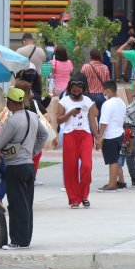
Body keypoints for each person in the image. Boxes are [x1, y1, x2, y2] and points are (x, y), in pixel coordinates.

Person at [0, 88, 48, 250]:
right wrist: (32, 151)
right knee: (26, 204)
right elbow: (44, 135)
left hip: (15, 166)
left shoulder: (12, 121)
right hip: (29, 165)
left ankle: (18, 241)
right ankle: (25, 239)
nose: (7, 103)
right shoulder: (33, 116)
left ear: (12, 103)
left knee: (16, 205)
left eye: (8, 101)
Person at [49, 73, 100, 208]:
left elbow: (93, 120)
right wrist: (69, 114)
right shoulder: (64, 102)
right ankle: (74, 198)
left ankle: (84, 195)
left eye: (79, 90)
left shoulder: (88, 101)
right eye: (74, 90)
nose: (76, 92)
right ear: (69, 89)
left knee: (87, 166)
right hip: (70, 135)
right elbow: (58, 120)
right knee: (70, 168)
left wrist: (98, 137)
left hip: (85, 135)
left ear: (83, 89)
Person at [96, 81, 126, 192]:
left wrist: (99, 137)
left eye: (104, 90)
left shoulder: (107, 104)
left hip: (110, 136)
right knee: (117, 159)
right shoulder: (121, 102)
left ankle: (112, 184)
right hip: (119, 133)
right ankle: (121, 181)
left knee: (112, 161)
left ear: (108, 90)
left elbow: (104, 123)